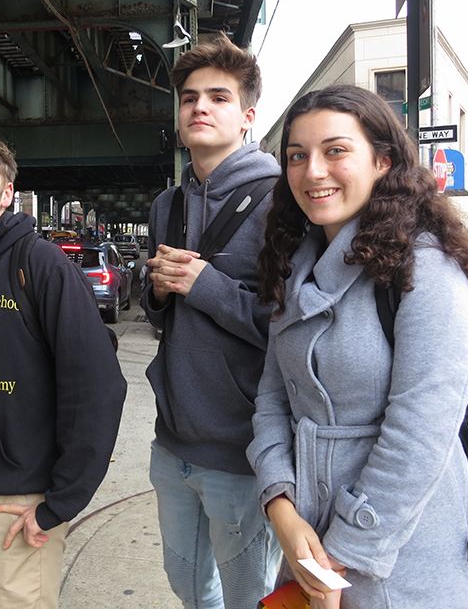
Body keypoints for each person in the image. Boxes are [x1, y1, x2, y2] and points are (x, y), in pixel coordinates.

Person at [248, 85, 468, 608]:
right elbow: (273, 398)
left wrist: (339, 557)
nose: (313, 170)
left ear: (383, 160)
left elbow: (420, 433)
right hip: (306, 538)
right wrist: (281, 509)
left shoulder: (426, 269)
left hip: (406, 555)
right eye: (297, 156)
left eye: (335, 150)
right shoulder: (293, 265)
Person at [0, 127, 127, 609]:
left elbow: (97, 386)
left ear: (7, 192)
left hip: (18, 501)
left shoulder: (40, 264)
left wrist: (62, 501)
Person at [141, 33, 282, 609]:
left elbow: (292, 327)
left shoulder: (282, 201)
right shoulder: (165, 207)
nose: (200, 107)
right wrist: (157, 292)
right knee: (188, 585)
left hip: (243, 450)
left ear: (247, 116)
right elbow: (160, 319)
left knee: (252, 595)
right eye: (190, 97)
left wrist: (207, 286)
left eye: (218, 97)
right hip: (172, 443)